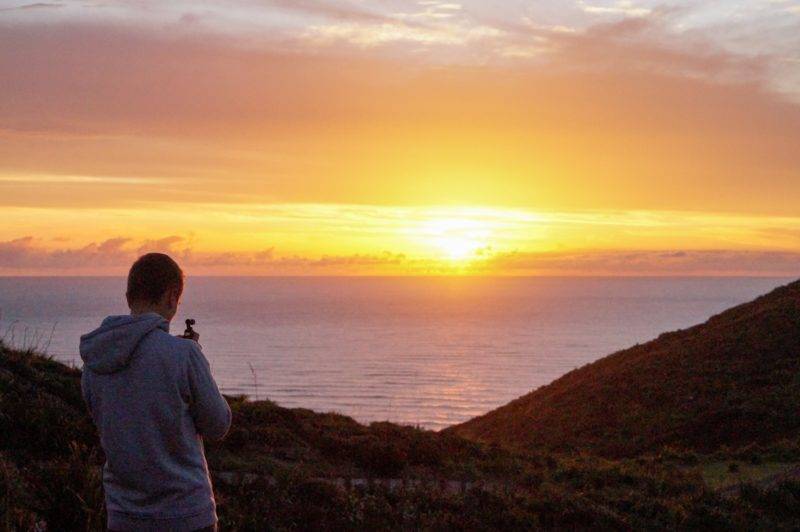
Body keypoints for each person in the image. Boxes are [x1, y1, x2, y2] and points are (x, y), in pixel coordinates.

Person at [80, 253, 231, 532]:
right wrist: (196, 359)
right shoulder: (183, 355)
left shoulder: (94, 362)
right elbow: (217, 424)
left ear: (128, 297)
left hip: (123, 515)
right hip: (186, 515)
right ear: (173, 297)